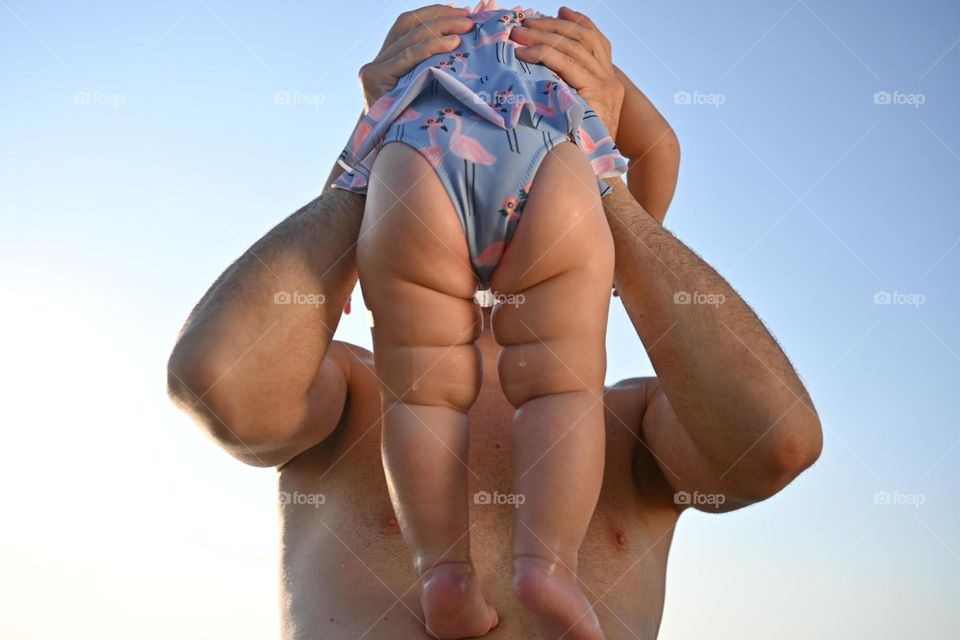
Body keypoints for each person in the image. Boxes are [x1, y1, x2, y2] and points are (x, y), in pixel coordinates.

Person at [166, 5, 823, 639]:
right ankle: (545, 569)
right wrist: (587, 156)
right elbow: (219, 381)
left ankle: (442, 572)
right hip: (527, 158)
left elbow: (774, 442)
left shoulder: (636, 428)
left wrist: (395, 141)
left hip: (433, 163)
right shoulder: (347, 393)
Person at [331, 1, 628, 637]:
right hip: (549, 151)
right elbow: (660, 147)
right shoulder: (561, 38)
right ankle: (546, 568)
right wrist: (612, 263)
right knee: (562, 387)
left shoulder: (423, 30)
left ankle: (445, 577)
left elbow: (354, 158)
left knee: (418, 398)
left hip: (417, 156)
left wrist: (338, 274)